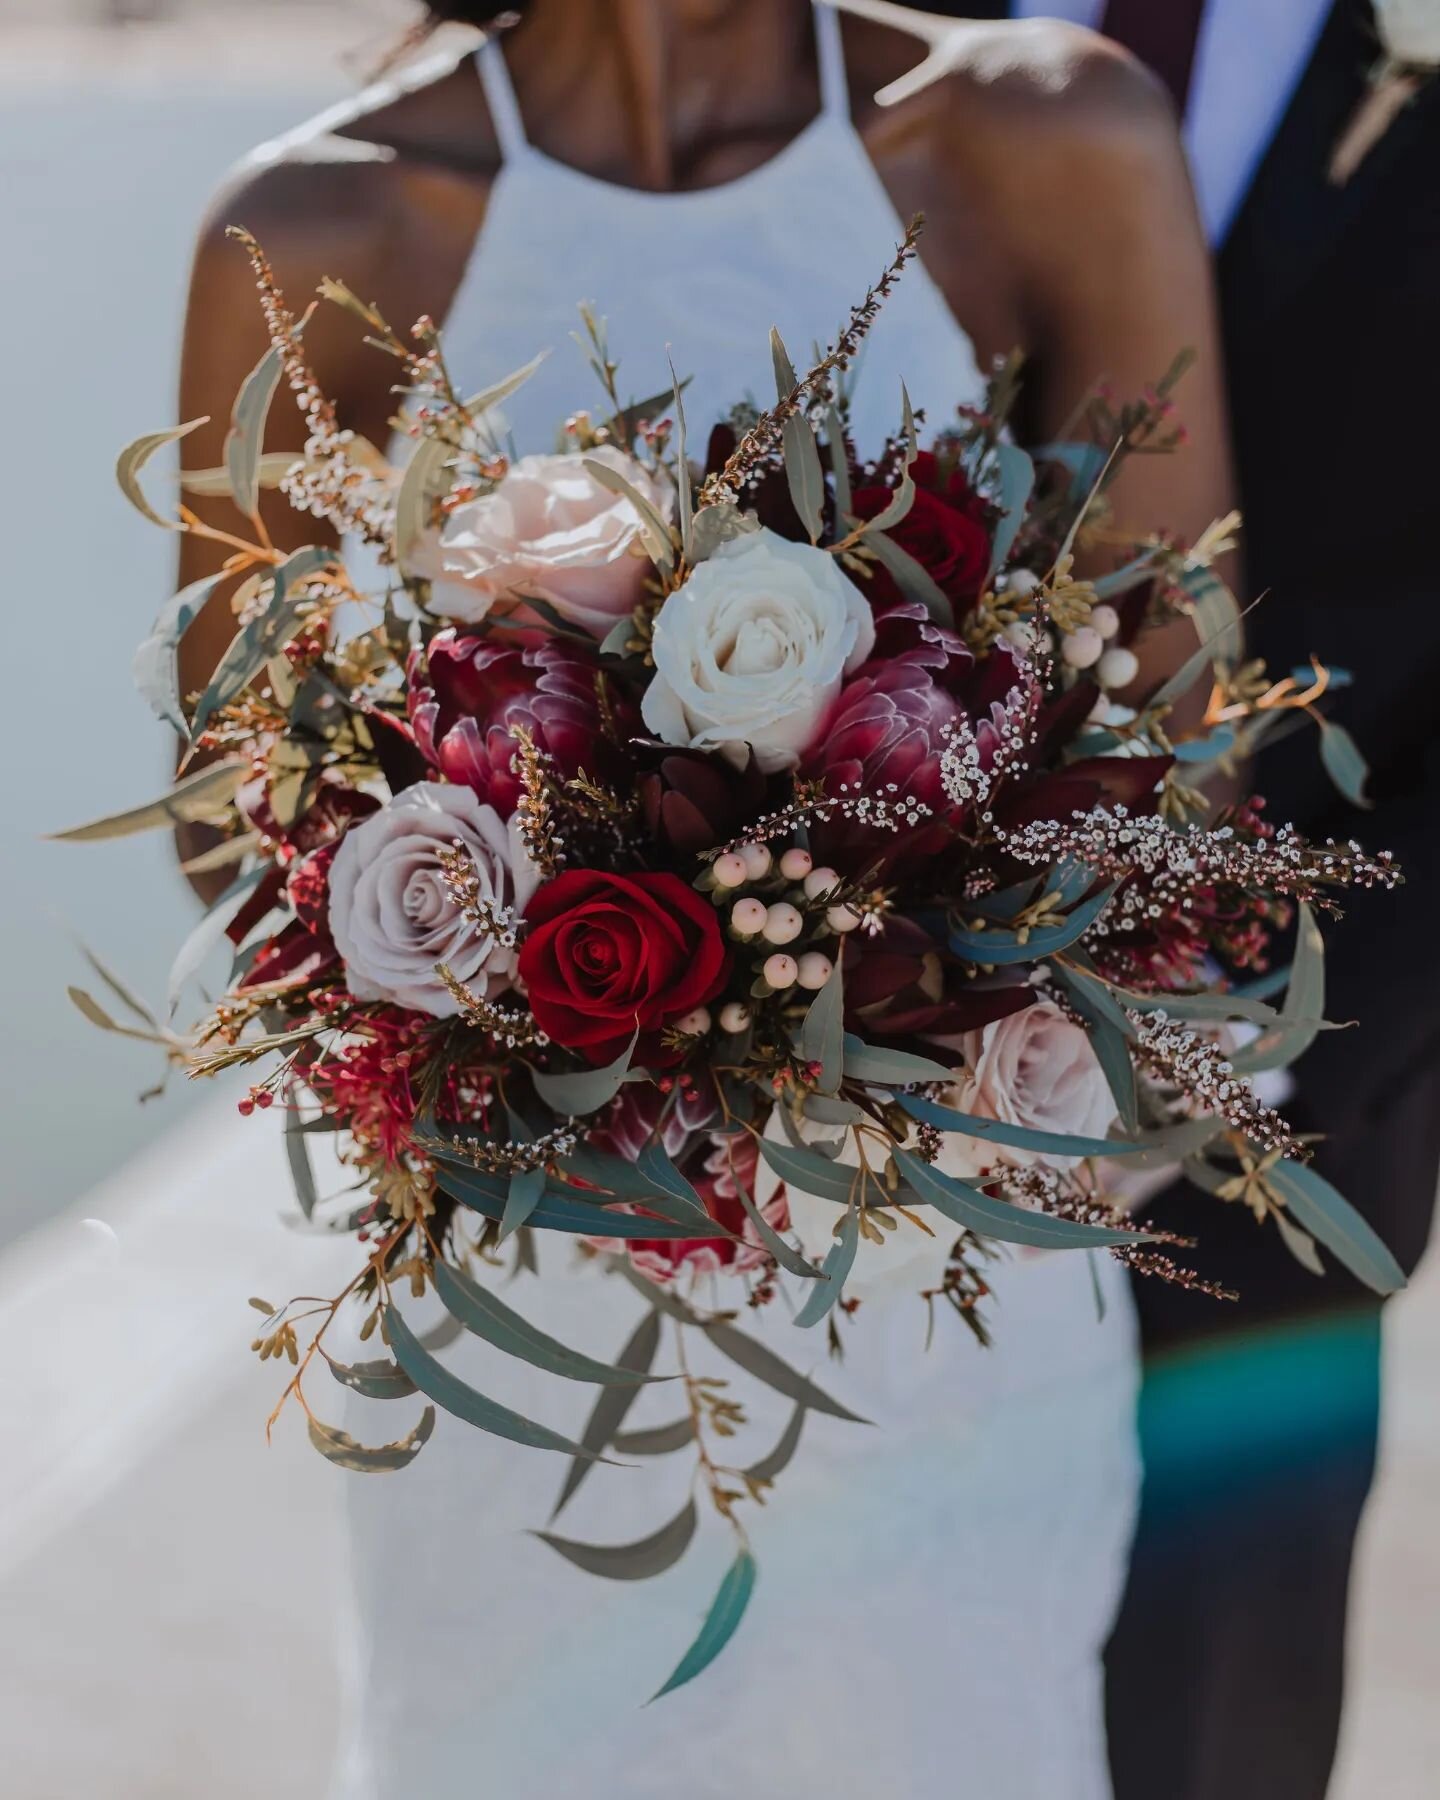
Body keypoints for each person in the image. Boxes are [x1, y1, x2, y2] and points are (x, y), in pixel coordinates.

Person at [175, 4, 1231, 1794]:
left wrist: (883, 999)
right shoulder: (322, 226)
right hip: (533, 1298)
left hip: (938, 1287)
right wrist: (538, 1010)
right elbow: (234, 815)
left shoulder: (1043, 136)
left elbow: (1183, 737)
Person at [931, 3, 1440, 1795]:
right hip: (834, 1097)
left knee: (1213, 1712)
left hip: (1295, 1107)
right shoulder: (826, 58)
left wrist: (1319, 1028)